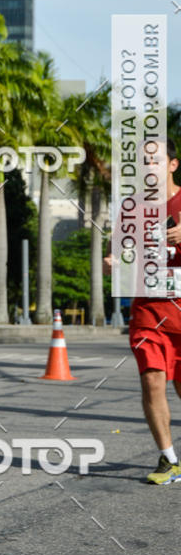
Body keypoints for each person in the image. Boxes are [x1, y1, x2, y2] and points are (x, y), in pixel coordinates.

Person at [105, 139, 181, 485]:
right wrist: (113, 262)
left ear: (172, 164)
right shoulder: (132, 208)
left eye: (156, 160)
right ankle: (168, 460)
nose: (149, 166)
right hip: (148, 311)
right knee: (152, 381)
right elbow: (121, 254)